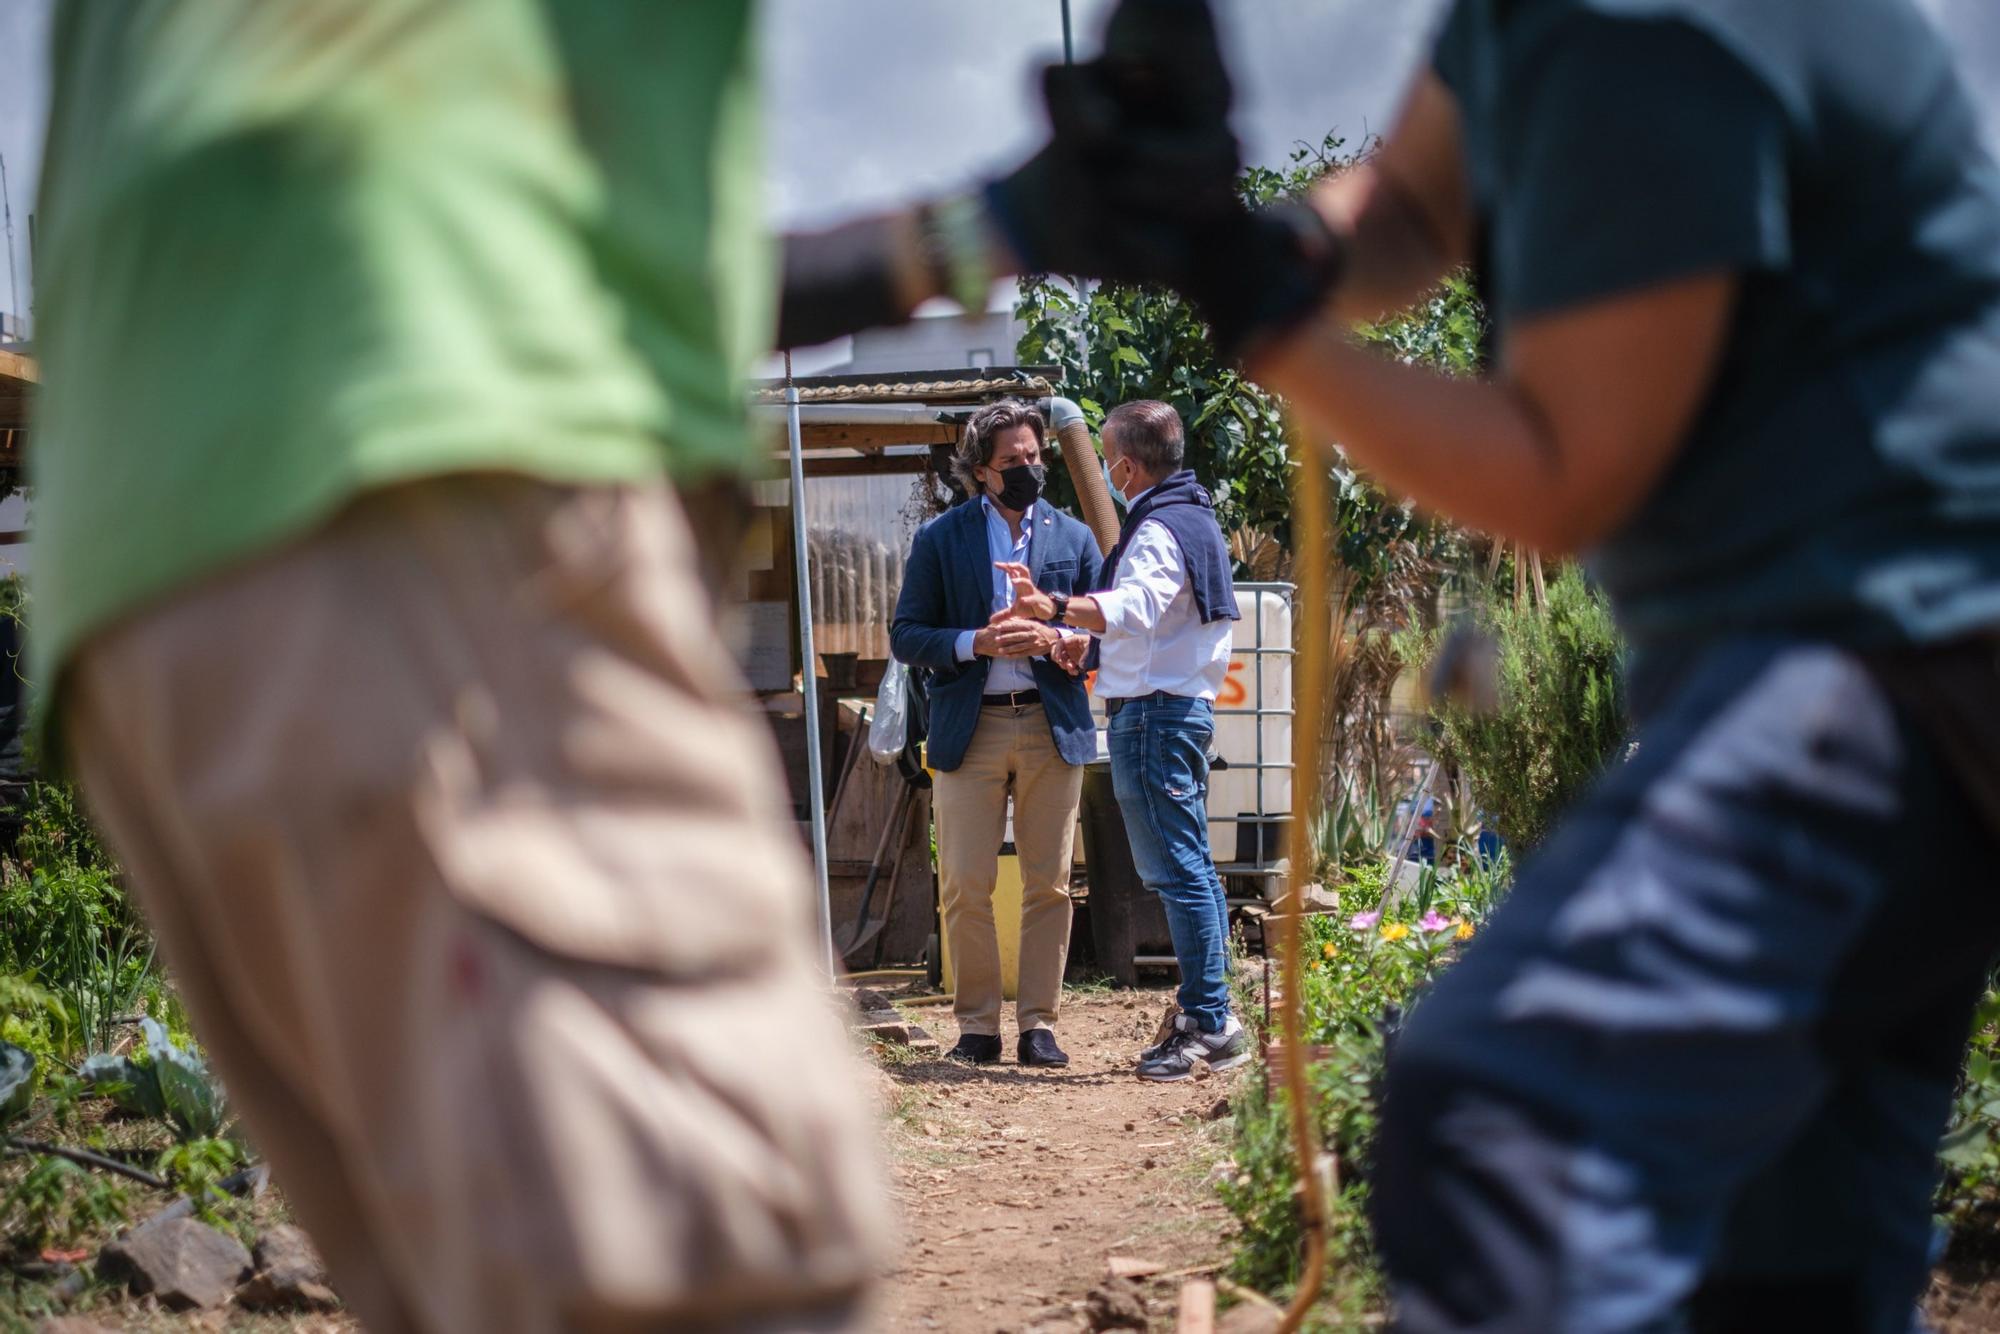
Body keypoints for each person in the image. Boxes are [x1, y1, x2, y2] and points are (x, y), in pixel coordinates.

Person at [29, 1, 1236, 1329]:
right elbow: (489, 245)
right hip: (432, 488)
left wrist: (1008, 222)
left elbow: (593, 243)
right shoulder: (950, 531)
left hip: (144, 532)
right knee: (714, 1274)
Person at [1082, 0, 2000, 1327]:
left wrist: (1271, 328)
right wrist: (1244, 245)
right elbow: (1405, 207)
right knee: (1785, 1256)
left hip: (1898, 648)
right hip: (1813, 658)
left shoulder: (1629, 15)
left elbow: (1559, 474)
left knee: (1507, 1120)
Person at [1003, 400, 1248, 1082]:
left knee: (1179, 871)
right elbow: (1157, 626)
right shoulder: (1189, 515)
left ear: (1127, 465)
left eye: (1108, 460)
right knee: (1185, 868)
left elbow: (1138, 608)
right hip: (1170, 710)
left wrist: (1051, 607)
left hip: (1156, 717)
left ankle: (1209, 1021)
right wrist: (1079, 646)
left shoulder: (1160, 528)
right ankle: (1209, 1015)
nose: (1106, 472)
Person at [888, 400, 1103, 1068]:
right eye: (1013, 462)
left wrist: (1063, 641)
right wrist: (973, 640)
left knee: (1050, 884)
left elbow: (1105, 633)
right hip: (968, 726)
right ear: (980, 471)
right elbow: (905, 635)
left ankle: (1040, 1024)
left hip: (1050, 721)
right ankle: (977, 1025)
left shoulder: (1073, 538)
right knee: (963, 884)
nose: (1029, 468)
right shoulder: (941, 539)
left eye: (1035, 457)